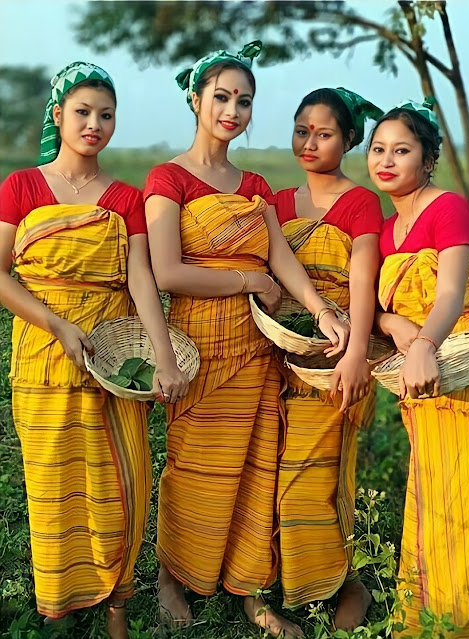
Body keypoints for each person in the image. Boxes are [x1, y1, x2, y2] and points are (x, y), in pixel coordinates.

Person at [144, 42, 349, 639]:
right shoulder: (169, 177)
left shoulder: (253, 181)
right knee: (192, 465)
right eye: (223, 97)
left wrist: (318, 309)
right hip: (199, 342)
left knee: (257, 467)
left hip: (257, 342)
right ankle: (171, 577)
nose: (233, 110)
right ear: (196, 100)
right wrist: (246, 278)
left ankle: (250, 592)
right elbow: (165, 271)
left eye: (245, 101)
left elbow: (281, 254)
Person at [0, 62, 188, 639]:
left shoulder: (125, 197)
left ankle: (116, 602)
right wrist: (56, 324)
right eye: (82, 111)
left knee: (121, 479)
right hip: (45, 353)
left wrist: (163, 356)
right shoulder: (21, 188)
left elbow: (139, 280)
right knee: (54, 482)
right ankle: (59, 602)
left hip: (111, 357)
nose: (95, 124)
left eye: (106, 115)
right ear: (57, 116)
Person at [272, 88, 384, 629]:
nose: (310, 141)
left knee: (312, 480)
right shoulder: (276, 201)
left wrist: (357, 353)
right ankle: (282, 583)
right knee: (269, 475)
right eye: (302, 130)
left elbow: (362, 281)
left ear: (348, 139)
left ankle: (343, 587)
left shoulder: (360, 202)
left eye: (324, 133)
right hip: (276, 350)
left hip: (333, 355)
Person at [368, 98, 469, 637]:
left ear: (428, 159)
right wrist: (393, 326)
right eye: (378, 148)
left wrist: (425, 342)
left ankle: (460, 620)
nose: (386, 159)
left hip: (460, 366)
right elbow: (380, 309)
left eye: (402, 150)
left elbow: (451, 291)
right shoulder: (387, 232)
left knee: (466, 493)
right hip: (422, 378)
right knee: (432, 492)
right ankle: (431, 613)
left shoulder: (448, 207)